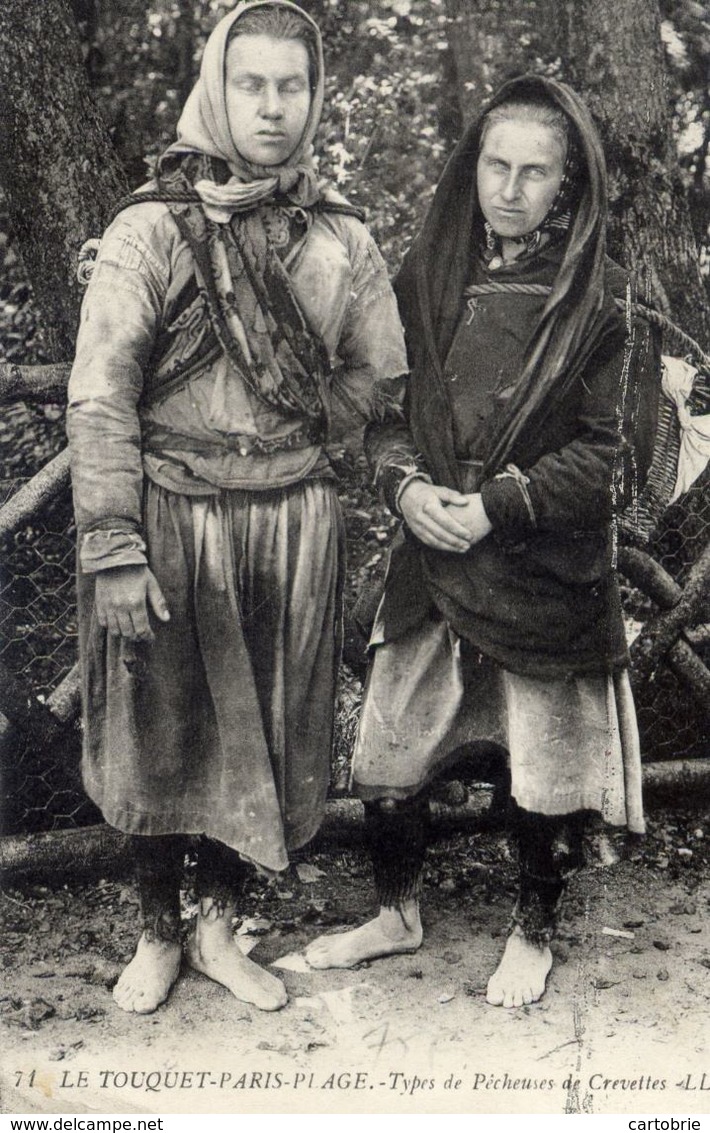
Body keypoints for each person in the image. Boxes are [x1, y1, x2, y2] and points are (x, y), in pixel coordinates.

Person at [67, 0, 407, 1015]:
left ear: (313, 97)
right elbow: (100, 392)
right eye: (250, 84)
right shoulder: (149, 228)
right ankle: (157, 929)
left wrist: (293, 424)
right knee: (159, 728)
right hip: (167, 520)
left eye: (290, 86)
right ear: (218, 88)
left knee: (260, 726)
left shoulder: (339, 233)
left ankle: (219, 924)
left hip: (290, 524)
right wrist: (114, 545)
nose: (270, 106)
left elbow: (377, 375)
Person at [306, 74, 657, 1008]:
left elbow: (607, 459)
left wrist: (500, 503)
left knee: (545, 764)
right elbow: (381, 414)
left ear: (567, 185)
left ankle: (534, 931)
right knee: (389, 746)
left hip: (543, 563)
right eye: (496, 166)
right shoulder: (426, 279)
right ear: (472, 172)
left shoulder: (602, 301)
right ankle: (396, 911)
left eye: (534, 173)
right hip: (433, 554)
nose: (510, 188)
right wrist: (405, 485)